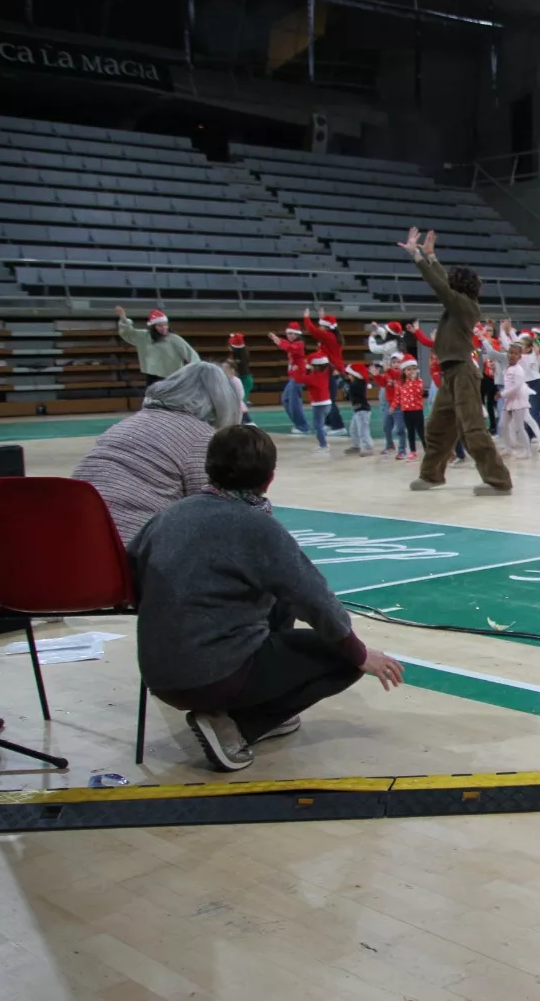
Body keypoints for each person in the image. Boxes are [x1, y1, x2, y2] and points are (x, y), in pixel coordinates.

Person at [129, 425, 404, 772]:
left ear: (208, 468)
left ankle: (255, 709)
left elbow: (133, 574)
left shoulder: (168, 515)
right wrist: (361, 654)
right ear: (270, 479)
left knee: (280, 599)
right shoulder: (259, 527)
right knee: (344, 658)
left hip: (157, 673)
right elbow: (317, 602)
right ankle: (237, 727)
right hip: (213, 675)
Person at [72, 362, 242, 544]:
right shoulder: (201, 437)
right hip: (131, 546)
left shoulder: (126, 424)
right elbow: (214, 507)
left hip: (75, 535)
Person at [397, 228, 513, 495]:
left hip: (463, 372)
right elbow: (443, 283)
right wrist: (431, 256)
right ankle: (432, 475)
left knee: (472, 429)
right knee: (437, 428)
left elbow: (440, 285)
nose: (447, 280)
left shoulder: (466, 306)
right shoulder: (457, 303)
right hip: (451, 373)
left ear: (458, 285)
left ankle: (499, 481)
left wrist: (417, 257)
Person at [115, 306, 197, 387]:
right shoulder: (144, 336)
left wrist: (197, 370)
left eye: (165, 325)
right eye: (160, 326)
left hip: (173, 377)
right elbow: (128, 333)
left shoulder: (174, 339)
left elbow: (191, 354)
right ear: (154, 327)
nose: (164, 328)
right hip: (153, 376)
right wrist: (124, 319)